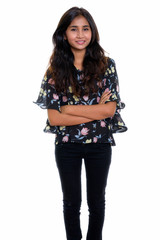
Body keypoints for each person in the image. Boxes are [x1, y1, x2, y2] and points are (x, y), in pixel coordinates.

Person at [34, 6, 127, 240]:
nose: (80, 34)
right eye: (73, 29)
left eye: (85, 28)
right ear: (64, 34)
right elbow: (54, 118)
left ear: (93, 32)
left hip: (99, 144)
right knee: (71, 203)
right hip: (67, 146)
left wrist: (68, 108)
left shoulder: (107, 65)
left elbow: (109, 110)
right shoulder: (54, 71)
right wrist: (94, 111)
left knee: (97, 202)